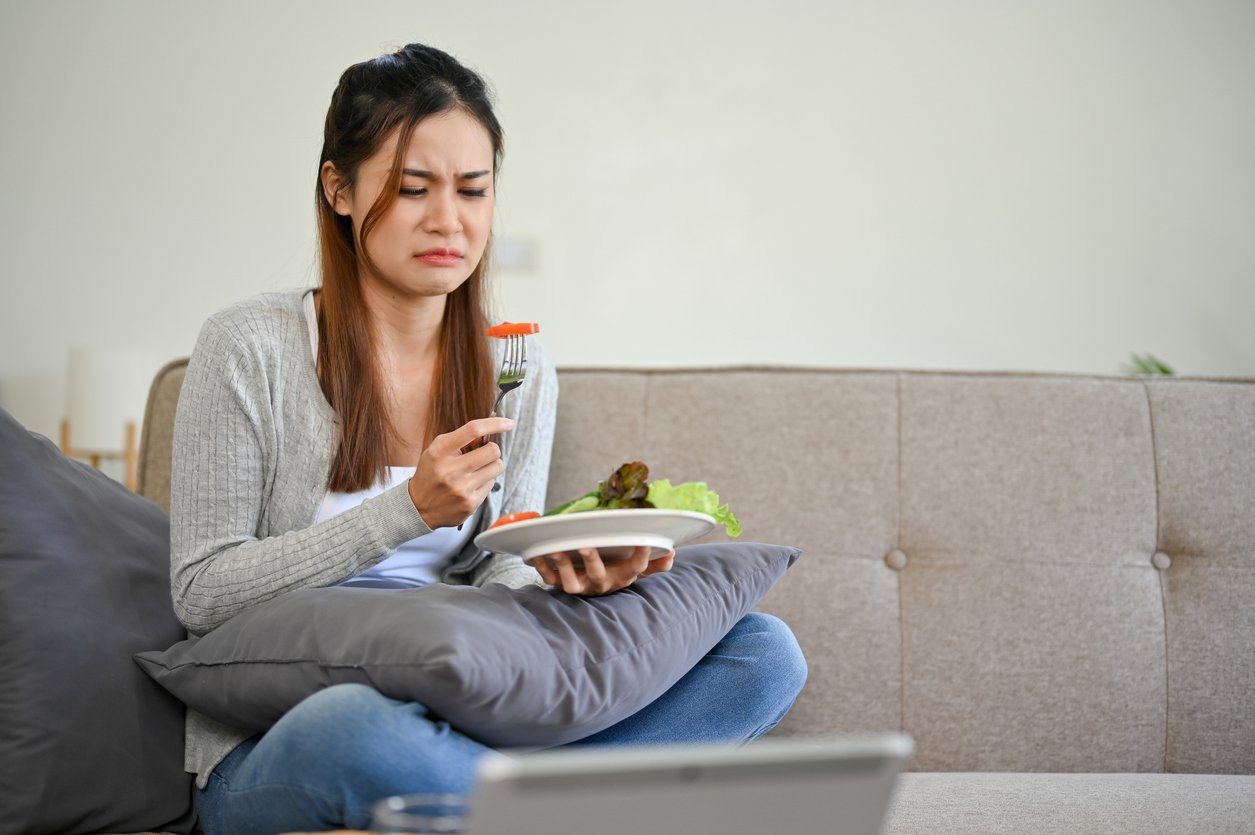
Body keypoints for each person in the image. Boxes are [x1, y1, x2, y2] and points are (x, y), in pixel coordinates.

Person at [169, 42, 807, 834]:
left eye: (473, 189)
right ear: (338, 188)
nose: (449, 219)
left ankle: (500, 802)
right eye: (412, 189)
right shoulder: (249, 346)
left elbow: (499, 570)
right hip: (283, 737)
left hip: (468, 705)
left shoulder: (517, 360)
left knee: (759, 651)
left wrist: (567, 580)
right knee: (357, 725)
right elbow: (199, 594)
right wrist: (403, 510)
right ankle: (569, 807)